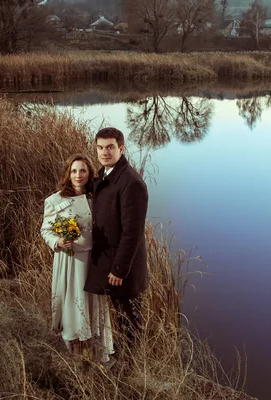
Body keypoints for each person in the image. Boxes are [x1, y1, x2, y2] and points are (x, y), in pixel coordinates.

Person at [40, 153, 114, 363]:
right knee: (73, 301)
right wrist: (57, 242)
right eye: (73, 171)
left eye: (82, 170)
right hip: (69, 261)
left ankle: (94, 352)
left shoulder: (97, 198)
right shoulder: (54, 200)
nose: (78, 175)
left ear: (89, 172)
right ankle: (74, 349)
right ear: (68, 173)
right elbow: (46, 230)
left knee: (92, 303)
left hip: (93, 260)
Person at [84, 127, 149, 349]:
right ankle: (116, 357)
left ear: (121, 149)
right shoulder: (104, 175)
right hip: (109, 261)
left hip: (123, 269)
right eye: (100, 148)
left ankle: (132, 369)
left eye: (110, 147)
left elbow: (133, 232)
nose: (105, 152)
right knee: (119, 318)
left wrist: (120, 269)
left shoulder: (132, 183)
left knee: (129, 320)